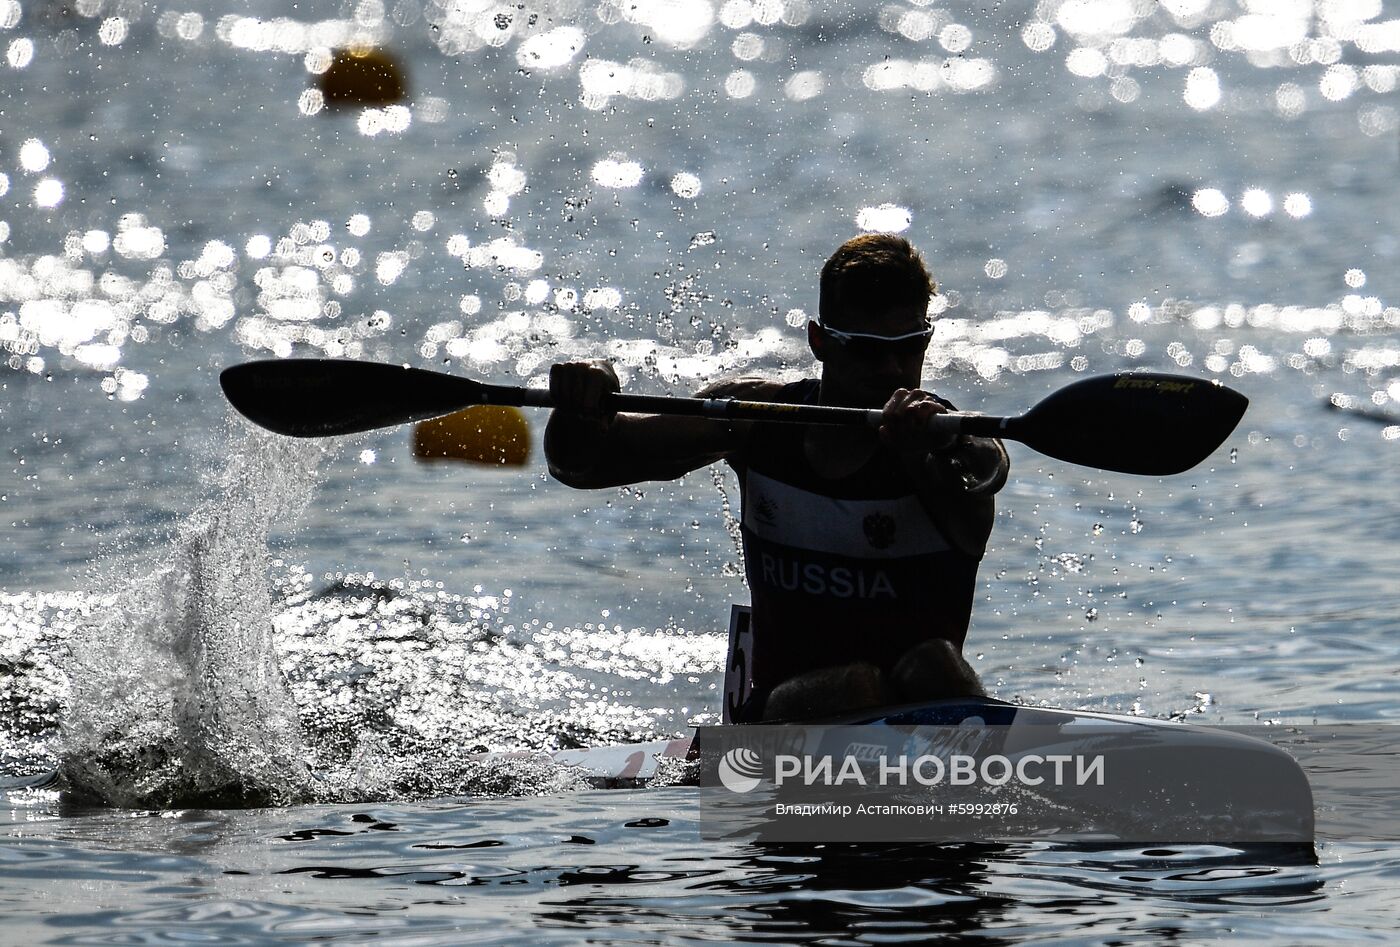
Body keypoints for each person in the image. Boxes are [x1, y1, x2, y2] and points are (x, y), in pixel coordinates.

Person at [544, 234, 1009, 722]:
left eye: (909, 347)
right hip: (776, 722)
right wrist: (584, 405)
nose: (894, 369)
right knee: (860, 684)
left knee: (933, 663)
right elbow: (582, 465)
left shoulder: (950, 446)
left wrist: (935, 445)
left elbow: (988, 466)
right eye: (870, 350)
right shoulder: (756, 420)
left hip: (924, 715)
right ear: (820, 342)